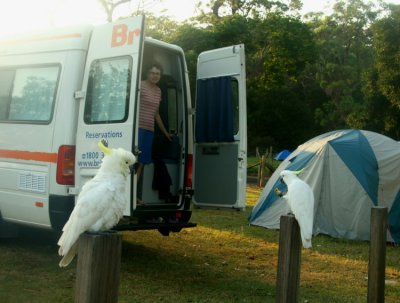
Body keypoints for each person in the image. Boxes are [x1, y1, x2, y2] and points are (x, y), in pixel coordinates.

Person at [137, 63, 171, 203]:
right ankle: (128, 193)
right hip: (137, 129)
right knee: (131, 161)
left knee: (142, 162)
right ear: (147, 73)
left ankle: (133, 193)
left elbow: (156, 114)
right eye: (152, 72)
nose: (155, 75)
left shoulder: (158, 91)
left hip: (149, 130)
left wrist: (166, 133)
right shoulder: (140, 85)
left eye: (157, 73)